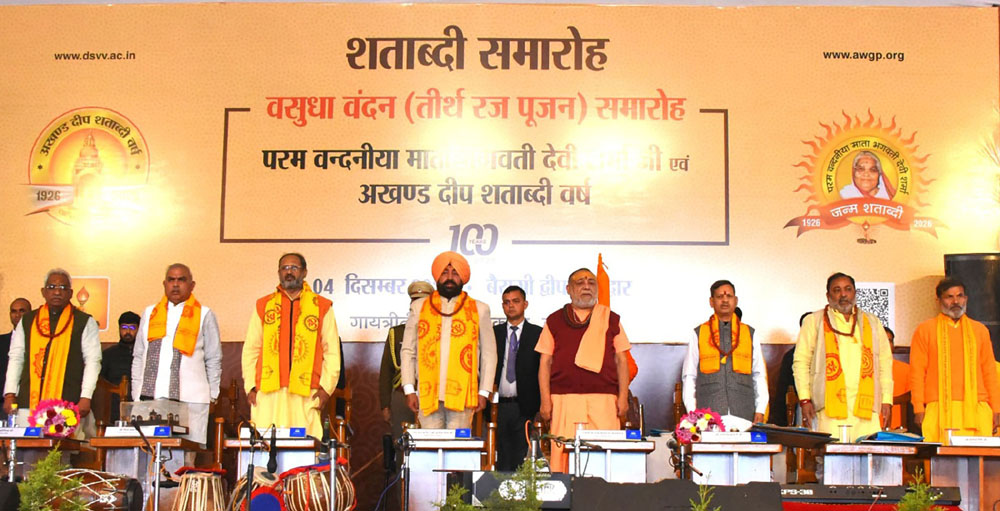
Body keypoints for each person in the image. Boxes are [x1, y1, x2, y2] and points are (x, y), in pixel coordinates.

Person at [536, 268, 631, 473]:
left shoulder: (610, 319)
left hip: (604, 401)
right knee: (562, 457)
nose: (586, 286)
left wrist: (623, 397)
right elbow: (545, 362)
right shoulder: (554, 320)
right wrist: (545, 400)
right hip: (563, 400)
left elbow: (622, 360)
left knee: (604, 456)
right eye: (580, 282)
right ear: (569, 289)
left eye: (591, 282)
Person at [242, 253, 341, 438]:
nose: (289, 272)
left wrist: (326, 389)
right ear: (279, 272)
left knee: (305, 447)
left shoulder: (321, 306)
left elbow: (332, 352)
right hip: (267, 393)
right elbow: (251, 349)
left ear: (304, 272)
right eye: (285, 268)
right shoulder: (264, 305)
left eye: (294, 268)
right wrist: (250, 387)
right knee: (266, 446)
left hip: (306, 393)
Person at [401, 251, 497, 429]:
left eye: (455, 273)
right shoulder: (419, 307)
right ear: (437, 276)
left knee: (458, 446)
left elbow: (489, 355)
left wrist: (484, 392)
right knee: (430, 445)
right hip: (427, 395)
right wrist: (409, 389)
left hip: (464, 396)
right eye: (445, 272)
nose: (450, 278)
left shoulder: (480, 309)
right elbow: (408, 350)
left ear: (463, 277)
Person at [3, 269, 102, 438]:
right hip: (28, 401)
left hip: (67, 402)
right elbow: (16, 357)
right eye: (51, 287)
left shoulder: (84, 321)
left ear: (70, 293)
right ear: (43, 292)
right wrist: (10, 393)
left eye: (62, 288)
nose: (57, 292)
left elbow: (93, 361)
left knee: (63, 452)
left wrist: (86, 396)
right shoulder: (28, 320)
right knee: (26, 451)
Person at [793, 272, 892, 438]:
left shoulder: (872, 322)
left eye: (848, 289)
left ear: (855, 293)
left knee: (867, 451)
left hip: (866, 408)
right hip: (829, 408)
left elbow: (885, 363)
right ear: (828, 296)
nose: (843, 294)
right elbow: (801, 362)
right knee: (832, 452)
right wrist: (805, 399)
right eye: (837, 290)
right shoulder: (814, 321)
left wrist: (886, 399)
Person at [131, 264, 222, 444]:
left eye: (181, 280)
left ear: (192, 285)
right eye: (171, 280)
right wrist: (136, 392)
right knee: (149, 450)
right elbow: (139, 355)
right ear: (164, 284)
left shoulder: (204, 314)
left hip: (192, 398)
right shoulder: (150, 313)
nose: (175, 284)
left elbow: (214, 357)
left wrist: (212, 394)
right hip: (151, 396)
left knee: (188, 451)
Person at [909, 278, 1000, 442]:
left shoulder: (980, 330)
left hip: (977, 408)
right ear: (938, 300)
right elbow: (917, 372)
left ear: (966, 299)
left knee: (978, 457)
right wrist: (918, 408)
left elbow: (989, 372)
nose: (955, 301)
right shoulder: (925, 330)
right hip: (938, 408)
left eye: (960, 296)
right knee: (940, 456)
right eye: (949, 297)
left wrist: (996, 408)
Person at [681, 280, 767, 424]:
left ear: (736, 300)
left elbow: (759, 374)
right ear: (711, 301)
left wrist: (761, 408)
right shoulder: (699, 333)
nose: (725, 300)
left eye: (729, 296)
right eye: (720, 296)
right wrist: (692, 411)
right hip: (708, 413)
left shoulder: (750, 333)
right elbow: (689, 375)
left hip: (744, 412)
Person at [492, 285, 542, 471]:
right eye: (506, 302)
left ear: (525, 304)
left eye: (515, 301)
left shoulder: (538, 333)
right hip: (498, 406)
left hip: (526, 407)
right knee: (501, 458)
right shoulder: (494, 333)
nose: (511, 306)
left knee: (523, 458)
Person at [380, 281, 433, 439]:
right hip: (402, 396)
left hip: (432, 396)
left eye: (423, 302)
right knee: (402, 444)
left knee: (431, 443)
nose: (418, 306)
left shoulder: (440, 331)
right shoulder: (397, 333)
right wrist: (385, 405)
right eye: (415, 301)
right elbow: (386, 371)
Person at [101, 311, 140, 423]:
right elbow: (101, 383)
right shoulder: (108, 354)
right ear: (119, 329)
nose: (128, 332)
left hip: (139, 405)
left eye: (132, 328)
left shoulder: (144, 354)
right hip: (113, 407)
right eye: (124, 327)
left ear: (139, 330)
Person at [0, 298, 31, 398]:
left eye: (22, 311)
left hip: (30, 396)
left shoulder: (39, 341)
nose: (17, 315)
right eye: (14, 311)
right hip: (3, 399)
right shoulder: (1, 341)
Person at [885, 327, 911, 430]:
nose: (886, 344)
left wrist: (888, 401)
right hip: (870, 427)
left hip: (899, 427)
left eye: (889, 341)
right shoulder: (865, 370)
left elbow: (911, 395)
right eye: (882, 340)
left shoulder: (906, 369)